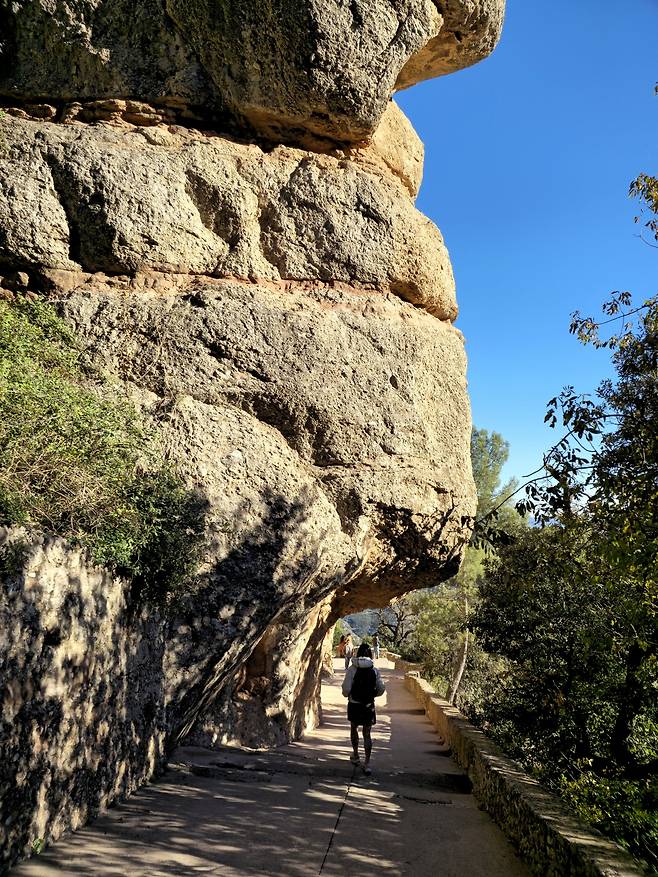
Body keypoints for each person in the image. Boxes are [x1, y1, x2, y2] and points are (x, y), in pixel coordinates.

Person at [342, 642, 385, 775]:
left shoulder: (352, 669)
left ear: (358, 653)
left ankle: (355, 755)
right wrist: (372, 696)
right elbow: (381, 689)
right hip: (368, 705)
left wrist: (348, 695)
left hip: (354, 704)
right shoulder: (374, 669)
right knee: (367, 734)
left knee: (354, 728)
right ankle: (367, 763)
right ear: (370, 654)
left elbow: (346, 688)